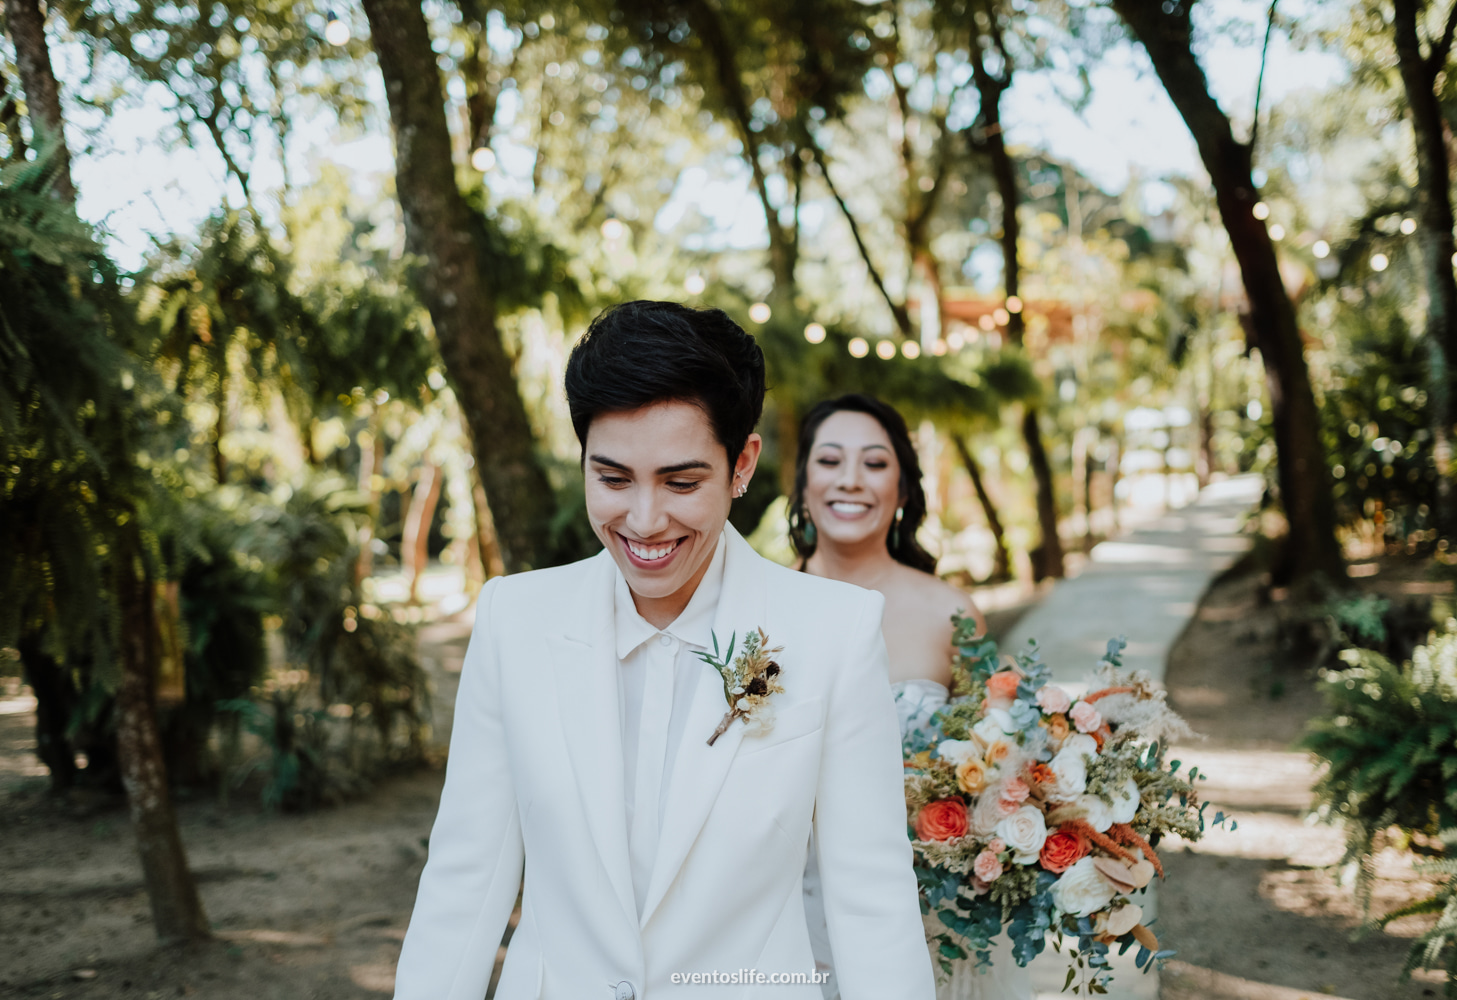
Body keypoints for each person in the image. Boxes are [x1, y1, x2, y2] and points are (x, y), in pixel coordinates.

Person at [393, 303, 934, 1000]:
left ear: (742, 465)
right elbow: (465, 881)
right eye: (612, 479)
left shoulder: (836, 632)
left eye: (682, 482)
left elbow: (871, 897)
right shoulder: (514, 620)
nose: (644, 521)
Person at [791, 393, 1034, 1000]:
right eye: (830, 461)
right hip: (787, 915)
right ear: (801, 484)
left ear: (902, 490)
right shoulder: (756, 613)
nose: (851, 480)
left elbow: (1002, 759)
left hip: (925, 912)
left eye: (875, 463)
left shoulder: (947, 613)